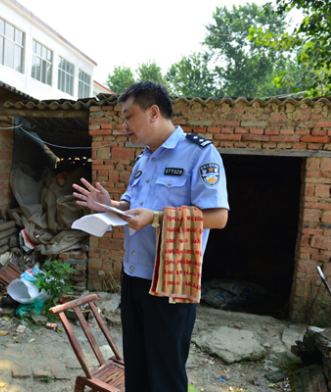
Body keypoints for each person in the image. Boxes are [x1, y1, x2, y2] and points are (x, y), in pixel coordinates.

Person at [73, 81, 229, 392]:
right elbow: (132, 207)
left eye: (129, 116)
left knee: (166, 378)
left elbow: (218, 217)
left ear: (153, 112)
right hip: (134, 277)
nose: (124, 125)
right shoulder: (143, 159)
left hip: (170, 284)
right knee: (139, 373)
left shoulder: (199, 154)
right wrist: (109, 205)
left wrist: (156, 218)